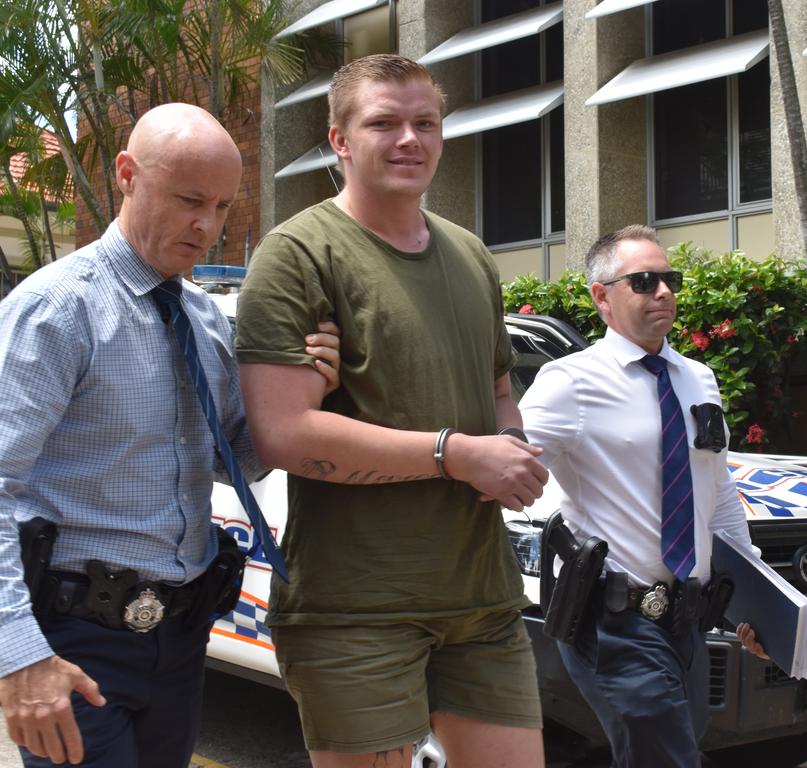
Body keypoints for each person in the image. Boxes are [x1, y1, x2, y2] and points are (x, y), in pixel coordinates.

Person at [0, 103, 341, 768]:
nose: (207, 227)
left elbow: (235, 460)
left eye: (220, 206)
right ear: (127, 174)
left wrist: (303, 387)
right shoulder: (56, 311)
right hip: (76, 639)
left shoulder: (204, 320)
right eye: (190, 200)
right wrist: (19, 658)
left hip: (181, 640)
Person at [234, 54, 548, 768]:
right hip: (354, 608)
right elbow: (284, 433)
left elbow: (498, 392)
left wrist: (512, 449)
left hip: (482, 599)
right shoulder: (297, 254)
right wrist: (458, 455)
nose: (409, 139)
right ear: (340, 140)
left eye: (425, 123)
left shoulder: (470, 254)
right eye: (384, 123)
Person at [518, 225, 768, 768]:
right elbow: (503, 466)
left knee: (669, 749)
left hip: (688, 622)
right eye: (644, 280)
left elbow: (717, 494)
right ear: (601, 296)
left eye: (669, 279)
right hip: (614, 620)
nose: (663, 292)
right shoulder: (569, 382)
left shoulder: (697, 378)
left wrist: (759, 601)